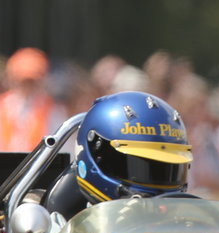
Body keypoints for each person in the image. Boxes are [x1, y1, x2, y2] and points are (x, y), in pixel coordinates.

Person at [44, 90, 193, 220]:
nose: (157, 183)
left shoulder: (184, 227)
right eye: (139, 165)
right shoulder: (55, 232)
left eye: (168, 168)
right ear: (98, 154)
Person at [0, 47, 65, 152]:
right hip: (0, 166)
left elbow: (60, 146)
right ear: (11, 78)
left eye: (32, 81)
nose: (27, 86)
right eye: (22, 80)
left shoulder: (53, 110)